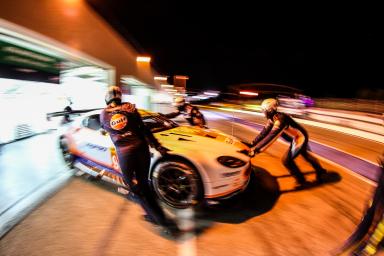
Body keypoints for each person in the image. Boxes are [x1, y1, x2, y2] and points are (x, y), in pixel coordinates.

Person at [100, 86, 180, 235]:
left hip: (126, 155)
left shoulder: (103, 114)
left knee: (137, 190)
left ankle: (165, 223)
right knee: (144, 185)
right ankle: (152, 215)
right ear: (120, 97)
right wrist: (158, 146)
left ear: (106, 99)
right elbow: (144, 129)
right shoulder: (131, 108)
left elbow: (104, 128)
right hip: (142, 150)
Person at [250, 98, 327, 188]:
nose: (263, 113)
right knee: (305, 155)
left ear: (270, 110)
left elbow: (271, 137)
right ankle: (320, 171)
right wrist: (252, 143)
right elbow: (264, 133)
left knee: (286, 160)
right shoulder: (273, 119)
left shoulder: (280, 120)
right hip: (297, 136)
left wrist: (256, 150)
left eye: (264, 110)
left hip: (299, 137)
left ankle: (301, 181)